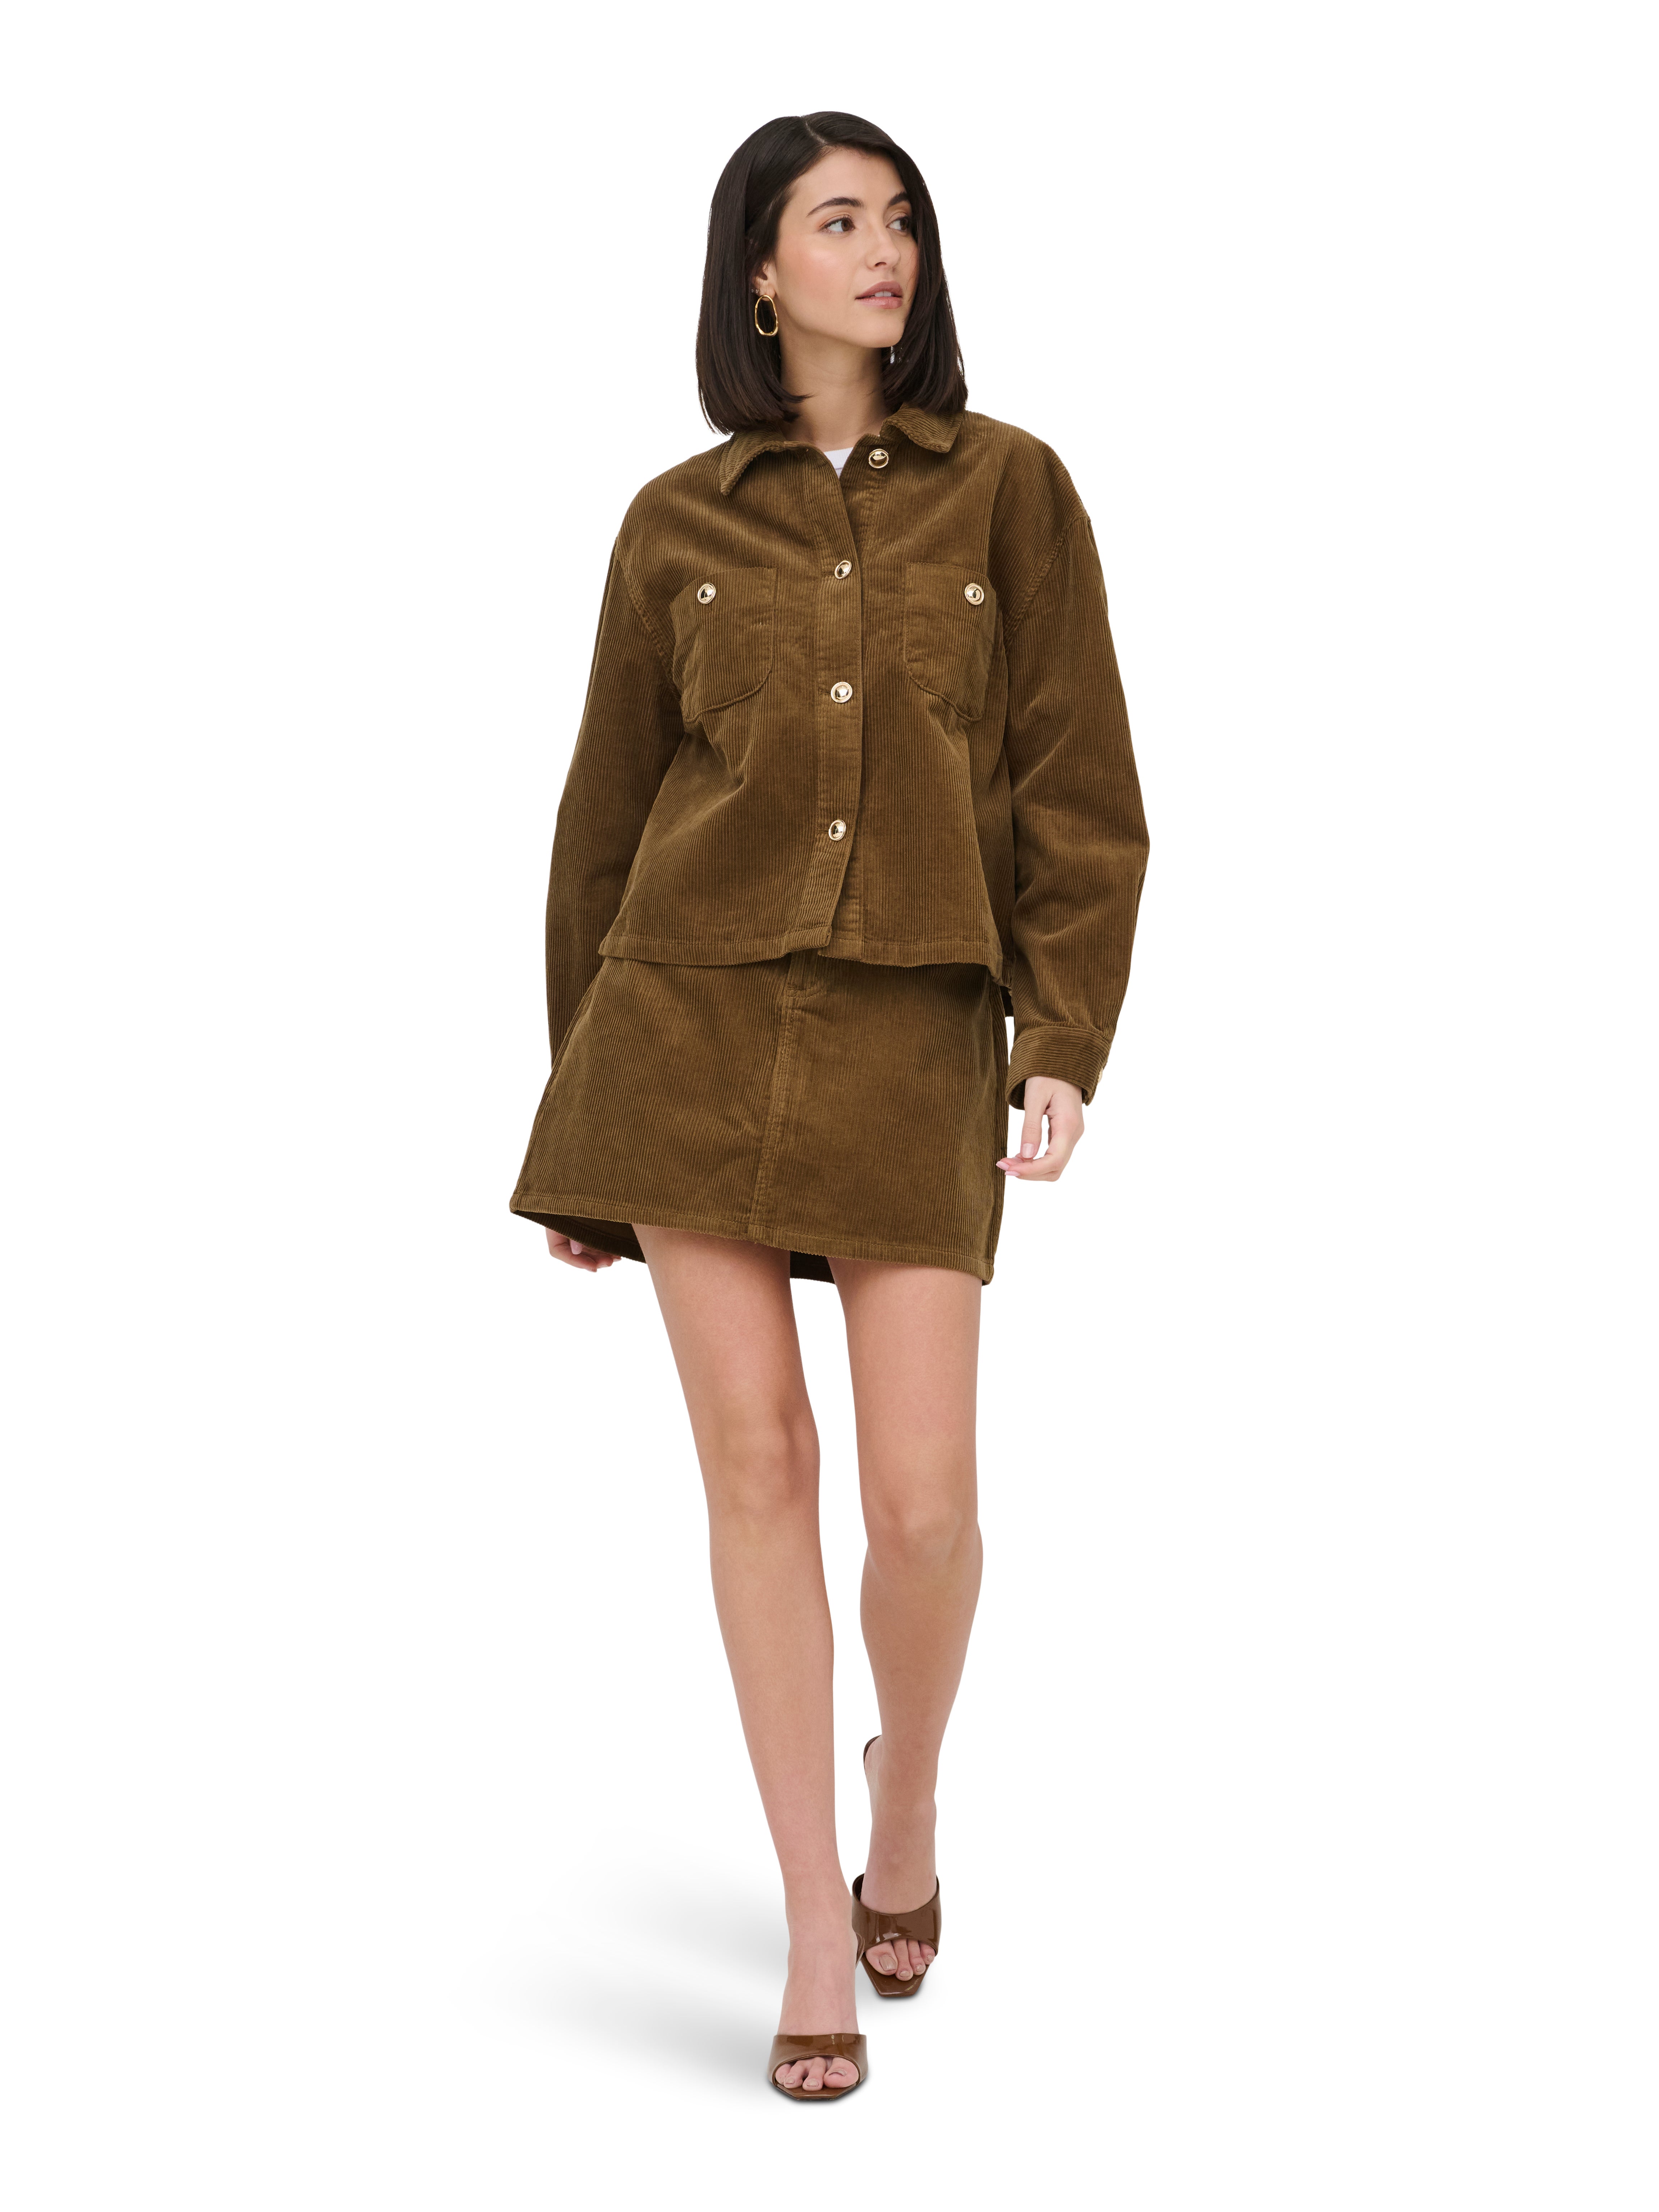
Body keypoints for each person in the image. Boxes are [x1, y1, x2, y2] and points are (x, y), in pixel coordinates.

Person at [510, 111, 1149, 2100]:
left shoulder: (1012, 491)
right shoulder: (672, 524)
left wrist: (1060, 1036)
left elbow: (1080, 790)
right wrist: (577, 1125)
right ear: (760, 273)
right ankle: (810, 1915)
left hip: (911, 1034)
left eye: (904, 220)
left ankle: (907, 1797)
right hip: (681, 1036)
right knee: (757, 1468)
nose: (887, 251)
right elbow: (604, 824)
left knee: (926, 1507)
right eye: (841, 220)